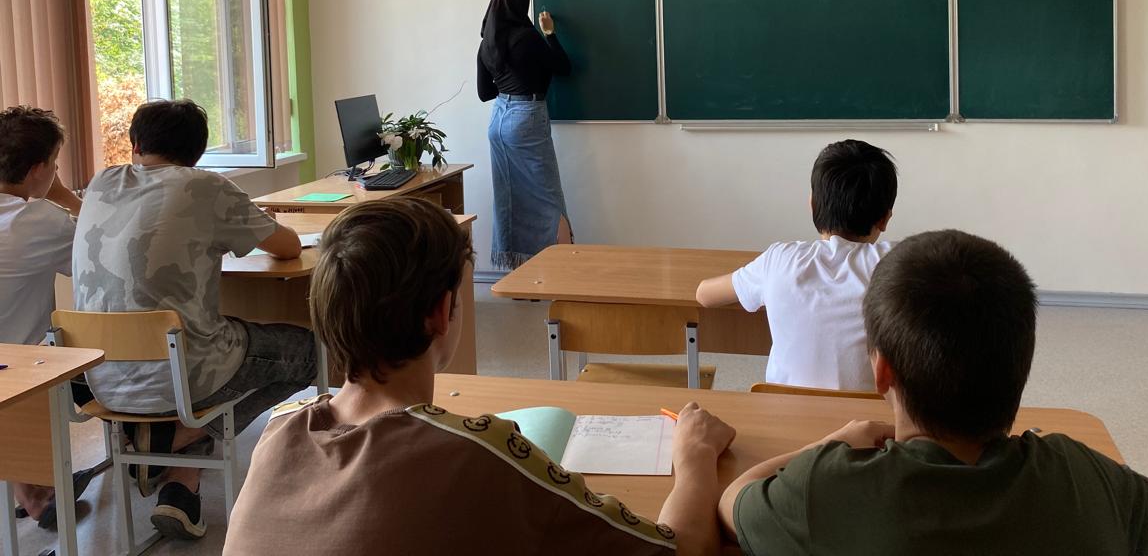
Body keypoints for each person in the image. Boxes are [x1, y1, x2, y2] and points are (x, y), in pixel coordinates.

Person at [226, 197, 736, 556]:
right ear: (441, 313)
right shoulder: (475, 453)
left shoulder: (277, 432)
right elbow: (680, 548)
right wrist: (693, 457)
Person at [718, 230, 1148, 556]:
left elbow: (733, 503)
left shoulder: (825, 489)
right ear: (1021, 364)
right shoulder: (1082, 478)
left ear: (882, 371)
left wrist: (831, 444)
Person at [73, 99, 317, 541]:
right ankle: (182, 436)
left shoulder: (101, 182)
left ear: (135, 145)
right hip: (184, 370)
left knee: (210, 340)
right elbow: (288, 247)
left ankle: (179, 482)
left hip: (100, 376)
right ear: (198, 151)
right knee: (313, 353)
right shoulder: (206, 187)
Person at [695, 139, 896, 391]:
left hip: (783, 411)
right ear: (885, 219)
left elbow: (704, 295)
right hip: (869, 415)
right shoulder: (897, 264)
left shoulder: (779, 259)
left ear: (812, 205)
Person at [0, 105, 94, 528]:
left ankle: (31, 486)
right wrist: (64, 196)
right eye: (54, 163)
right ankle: (36, 490)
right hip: (12, 370)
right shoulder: (36, 220)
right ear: (39, 169)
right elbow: (100, 248)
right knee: (76, 357)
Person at [477, 0, 573, 269]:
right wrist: (550, 33)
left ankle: (517, 272)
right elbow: (563, 67)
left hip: (498, 121)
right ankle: (564, 268)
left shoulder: (487, 43)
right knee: (549, 197)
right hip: (526, 117)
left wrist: (508, 83)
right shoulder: (528, 37)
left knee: (509, 198)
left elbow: (484, 93)